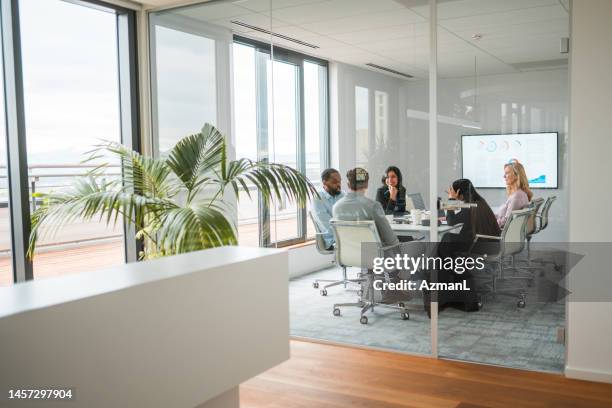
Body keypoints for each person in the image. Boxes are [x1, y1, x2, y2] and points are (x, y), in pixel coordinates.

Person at [425, 179, 501, 314]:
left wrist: (450, 200)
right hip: (489, 243)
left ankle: (439, 286)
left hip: (481, 244)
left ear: (459, 193)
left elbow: (451, 221)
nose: (453, 194)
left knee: (444, 246)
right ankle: (445, 287)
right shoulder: (479, 202)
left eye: (454, 192)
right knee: (445, 245)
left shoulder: (470, 206)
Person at [333, 167, 399, 247]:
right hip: (370, 255)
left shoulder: (336, 207)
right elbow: (391, 241)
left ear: (348, 185)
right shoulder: (373, 206)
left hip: (346, 257)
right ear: (367, 185)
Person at [311, 168, 345, 249]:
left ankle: (373, 261)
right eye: (334, 182)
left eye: (339, 181)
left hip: (346, 235)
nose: (338, 184)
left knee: (370, 241)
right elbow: (327, 225)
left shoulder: (342, 194)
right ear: (324, 182)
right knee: (365, 245)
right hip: (332, 240)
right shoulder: (318, 198)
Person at [496, 160, 532, 228]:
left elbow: (505, 222)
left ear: (516, 175)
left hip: (499, 231)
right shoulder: (519, 194)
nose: (504, 176)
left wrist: (489, 222)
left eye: (507, 173)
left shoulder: (517, 196)